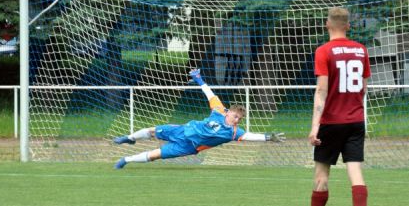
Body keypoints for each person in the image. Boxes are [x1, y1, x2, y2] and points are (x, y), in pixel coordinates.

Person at [297, 7, 371, 206]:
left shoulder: (323, 51)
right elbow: (364, 87)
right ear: (348, 26)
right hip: (356, 120)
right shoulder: (361, 50)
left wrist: (314, 127)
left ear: (327, 24)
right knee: (356, 172)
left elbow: (321, 91)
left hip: (331, 122)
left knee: (321, 175)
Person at [113, 68, 285, 168]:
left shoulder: (233, 132)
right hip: (182, 130)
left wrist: (268, 137)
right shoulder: (219, 110)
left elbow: (249, 136)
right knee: (151, 130)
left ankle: (125, 160)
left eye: (239, 119)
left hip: (188, 146)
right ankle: (129, 138)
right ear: (229, 112)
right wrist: (199, 79)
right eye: (235, 116)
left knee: (155, 155)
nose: (237, 120)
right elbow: (209, 93)